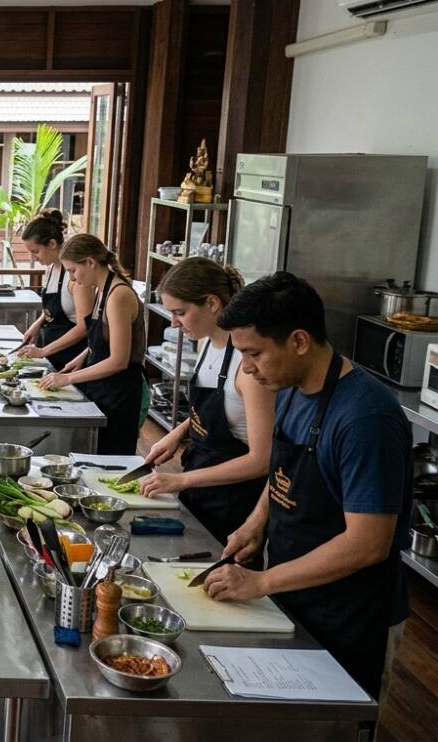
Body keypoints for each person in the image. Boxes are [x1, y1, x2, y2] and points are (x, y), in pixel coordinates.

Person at [205, 272, 411, 700]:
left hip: (350, 613)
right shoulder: (291, 388)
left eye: (254, 353)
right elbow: (283, 470)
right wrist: (257, 522)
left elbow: (368, 543)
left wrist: (262, 582)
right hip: (293, 590)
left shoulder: (366, 419)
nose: (247, 368)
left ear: (299, 341)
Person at [137, 258, 273, 545]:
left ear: (212, 303)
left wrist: (181, 480)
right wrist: (178, 432)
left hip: (233, 499)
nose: (174, 323)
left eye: (180, 313)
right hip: (199, 481)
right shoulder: (206, 342)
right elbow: (221, 409)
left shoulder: (246, 366)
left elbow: (262, 460)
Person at [38, 234, 146, 455]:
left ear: (90, 262)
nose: (72, 278)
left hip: (119, 392)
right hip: (101, 386)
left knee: (112, 460)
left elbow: (118, 360)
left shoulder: (118, 295)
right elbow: (103, 339)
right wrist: (81, 357)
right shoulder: (101, 290)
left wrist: (67, 379)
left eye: (73, 270)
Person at [14, 209, 95, 370]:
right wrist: (37, 324)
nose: (33, 258)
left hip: (72, 359)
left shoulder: (75, 276)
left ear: (52, 244)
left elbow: (84, 327)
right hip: (52, 355)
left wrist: (43, 351)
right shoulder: (51, 270)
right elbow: (54, 310)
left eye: (35, 251)